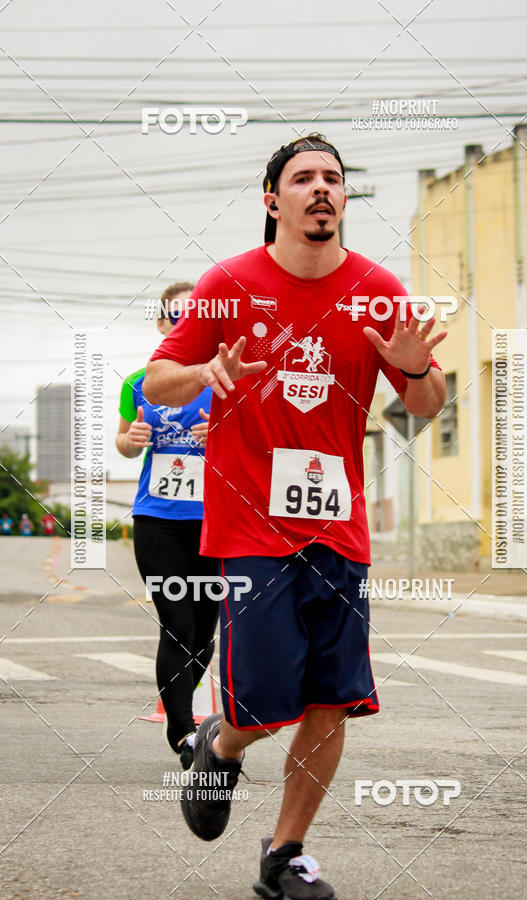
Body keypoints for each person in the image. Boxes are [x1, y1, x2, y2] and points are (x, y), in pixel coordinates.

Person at [143, 134, 447, 899]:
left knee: (333, 697)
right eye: (303, 178)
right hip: (251, 529)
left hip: (338, 526)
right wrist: (203, 370)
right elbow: (158, 380)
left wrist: (412, 367)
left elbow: (426, 404)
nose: (321, 189)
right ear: (273, 200)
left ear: (346, 199)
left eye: (334, 179)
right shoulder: (228, 284)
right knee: (267, 701)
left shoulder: (379, 290)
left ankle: (286, 855)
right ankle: (223, 740)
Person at [116, 281, 218, 770]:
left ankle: (182, 711)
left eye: (191, 316)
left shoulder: (224, 378)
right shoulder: (139, 381)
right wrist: (133, 438)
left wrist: (221, 436)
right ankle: (184, 735)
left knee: (204, 634)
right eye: (174, 317)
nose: (182, 325)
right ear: (161, 324)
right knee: (176, 622)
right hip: (157, 518)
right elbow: (124, 443)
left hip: (216, 521)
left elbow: (257, 449)